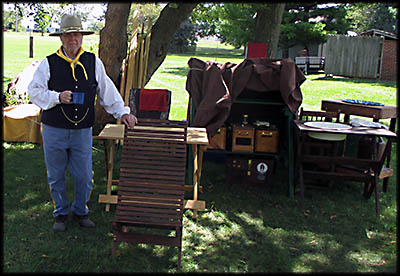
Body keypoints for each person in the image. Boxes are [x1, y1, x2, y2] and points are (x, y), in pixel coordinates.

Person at [28, 14, 137, 232]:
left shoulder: (92, 61)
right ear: (62, 37)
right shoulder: (48, 63)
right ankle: (60, 213)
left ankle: (80, 211)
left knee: (85, 176)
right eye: (68, 35)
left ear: (81, 37)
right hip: (54, 130)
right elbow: (34, 92)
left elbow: (107, 90)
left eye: (76, 34)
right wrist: (56, 97)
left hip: (82, 131)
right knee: (56, 175)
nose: (73, 39)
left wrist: (123, 112)